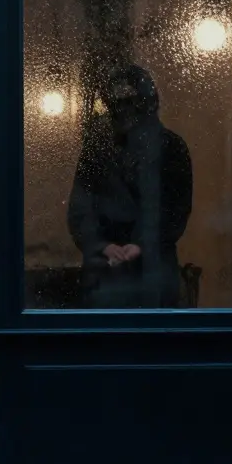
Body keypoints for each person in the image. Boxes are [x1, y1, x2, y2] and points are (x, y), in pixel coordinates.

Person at [67, 64, 193, 308]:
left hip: (151, 275)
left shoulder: (171, 147)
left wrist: (141, 245)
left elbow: (176, 208)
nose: (124, 109)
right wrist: (104, 246)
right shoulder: (98, 148)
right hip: (108, 277)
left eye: (131, 101)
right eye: (118, 102)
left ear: (145, 102)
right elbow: (80, 209)